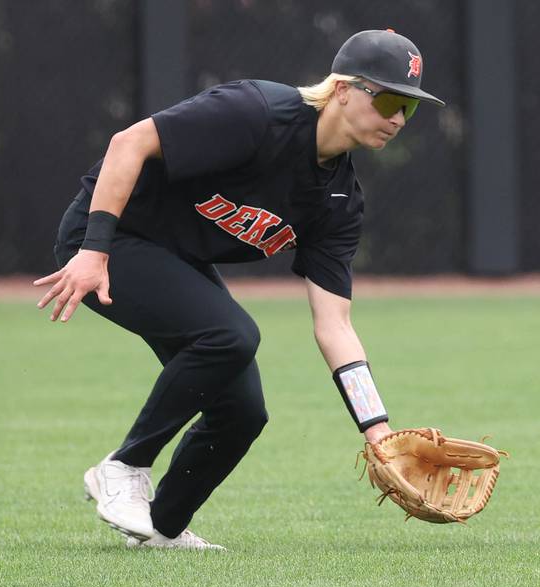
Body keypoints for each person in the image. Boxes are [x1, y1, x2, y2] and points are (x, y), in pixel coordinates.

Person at [34, 29, 445, 550]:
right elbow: (128, 143)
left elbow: (334, 324)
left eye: (409, 108)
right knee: (231, 335)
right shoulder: (258, 112)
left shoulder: (339, 201)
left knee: (243, 411)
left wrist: (376, 427)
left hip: (174, 256)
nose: (397, 118)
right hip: (111, 241)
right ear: (343, 89)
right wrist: (92, 250)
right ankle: (124, 468)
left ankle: (161, 528)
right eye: (388, 99)